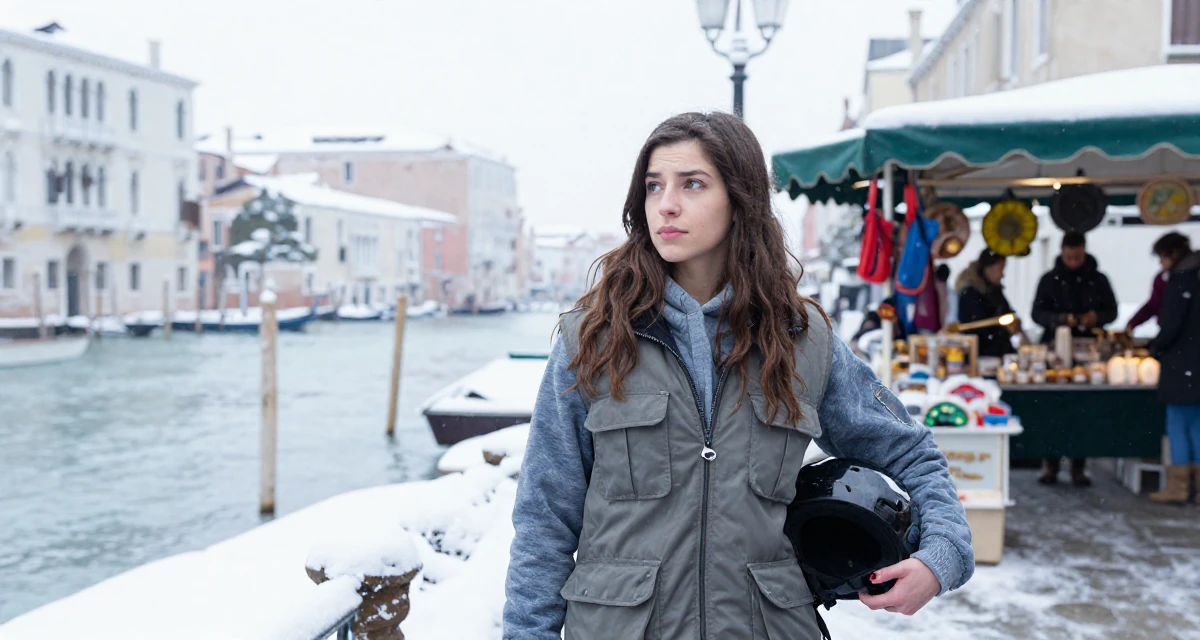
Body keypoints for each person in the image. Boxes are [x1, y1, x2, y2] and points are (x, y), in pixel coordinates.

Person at [502, 113, 973, 640]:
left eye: (692, 184)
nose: (666, 204)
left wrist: (941, 556)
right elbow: (544, 518)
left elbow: (911, 453)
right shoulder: (593, 340)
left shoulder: (802, 338)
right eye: (654, 186)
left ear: (740, 200)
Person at [1031, 231, 1118, 487]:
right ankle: (1050, 463)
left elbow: (1112, 310)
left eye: (1077, 257)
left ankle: (1079, 466)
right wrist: (1060, 320)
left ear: (1084, 251)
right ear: (1062, 252)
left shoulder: (1098, 279)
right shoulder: (1049, 280)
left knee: (1083, 410)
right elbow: (1037, 313)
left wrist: (1095, 317)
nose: (1073, 262)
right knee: (1052, 409)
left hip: (1088, 351)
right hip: (1054, 351)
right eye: (1069, 257)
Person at [1148, 243, 1200, 504]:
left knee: (1178, 425)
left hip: (1182, 366)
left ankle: (1178, 488)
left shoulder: (1180, 284)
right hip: (1195, 364)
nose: (1161, 263)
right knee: (1197, 426)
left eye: (1162, 257)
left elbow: (1170, 326)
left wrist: (1156, 348)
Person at [955, 249, 1019, 358]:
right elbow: (977, 330)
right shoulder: (971, 295)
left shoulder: (994, 290)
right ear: (988, 268)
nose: (1002, 275)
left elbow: (1006, 313)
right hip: (982, 357)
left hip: (999, 353)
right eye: (1000, 269)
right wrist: (1005, 331)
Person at [1126, 232, 1192, 333]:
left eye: (1163, 257)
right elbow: (1153, 305)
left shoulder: (1192, 279)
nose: (1160, 262)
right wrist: (1133, 323)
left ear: (1175, 254)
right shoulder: (1162, 279)